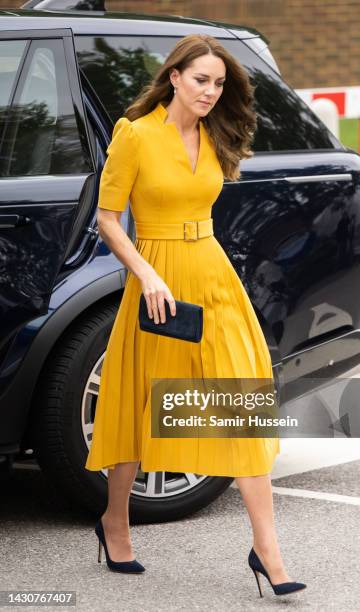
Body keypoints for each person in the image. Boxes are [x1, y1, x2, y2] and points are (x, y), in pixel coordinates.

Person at [85, 33, 306, 597]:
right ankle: (115, 522)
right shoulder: (134, 135)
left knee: (241, 403)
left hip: (212, 275)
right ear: (176, 76)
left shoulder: (217, 133)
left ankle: (267, 550)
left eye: (219, 83)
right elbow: (108, 218)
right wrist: (147, 273)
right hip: (156, 280)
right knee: (142, 403)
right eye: (201, 79)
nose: (210, 91)